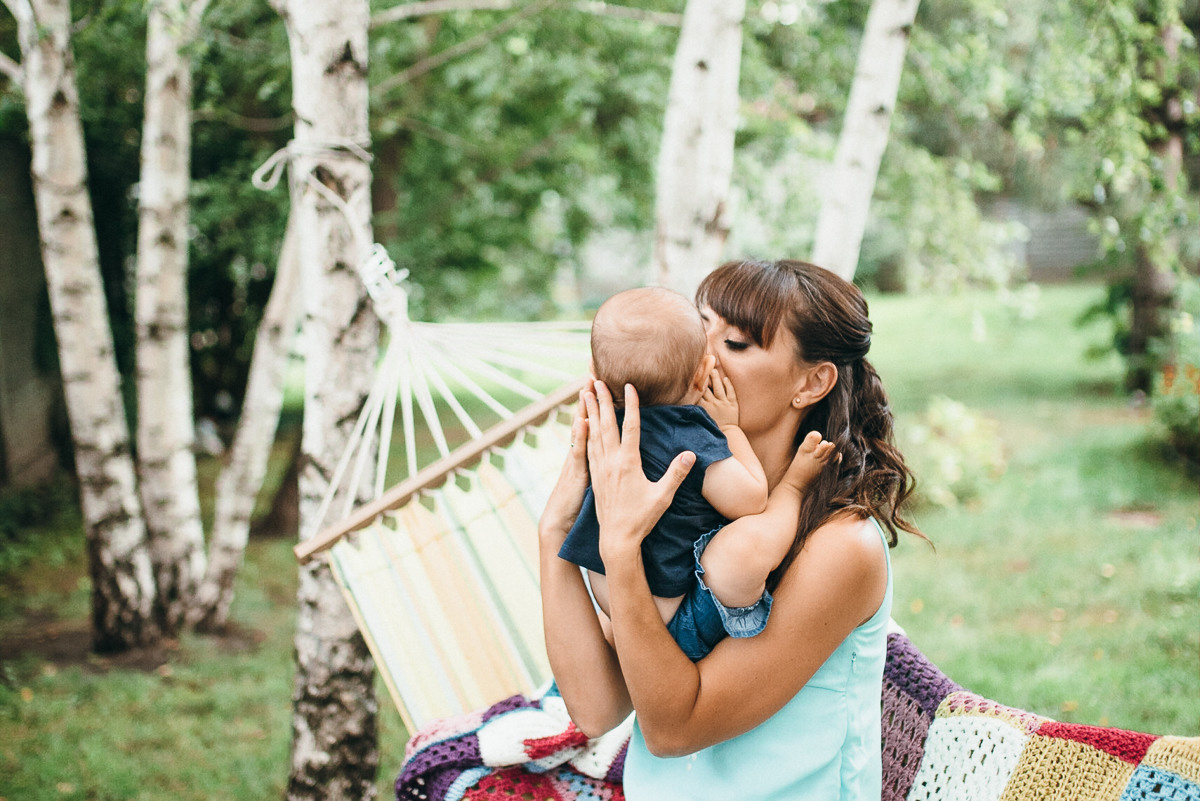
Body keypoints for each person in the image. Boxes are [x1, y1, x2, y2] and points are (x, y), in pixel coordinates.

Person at [538, 259, 923, 800]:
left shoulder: (840, 546)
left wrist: (621, 552)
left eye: (736, 343)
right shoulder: (687, 510)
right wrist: (555, 530)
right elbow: (596, 706)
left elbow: (674, 729)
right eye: (699, 328)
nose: (699, 353)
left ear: (812, 382)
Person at [557, 286, 836, 660]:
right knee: (747, 547)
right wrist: (732, 430)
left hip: (611, 602)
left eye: (735, 342)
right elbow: (751, 499)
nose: (716, 355)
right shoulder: (688, 436)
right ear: (702, 374)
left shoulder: (606, 431)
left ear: (594, 374)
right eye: (706, 333)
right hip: (670, 623)